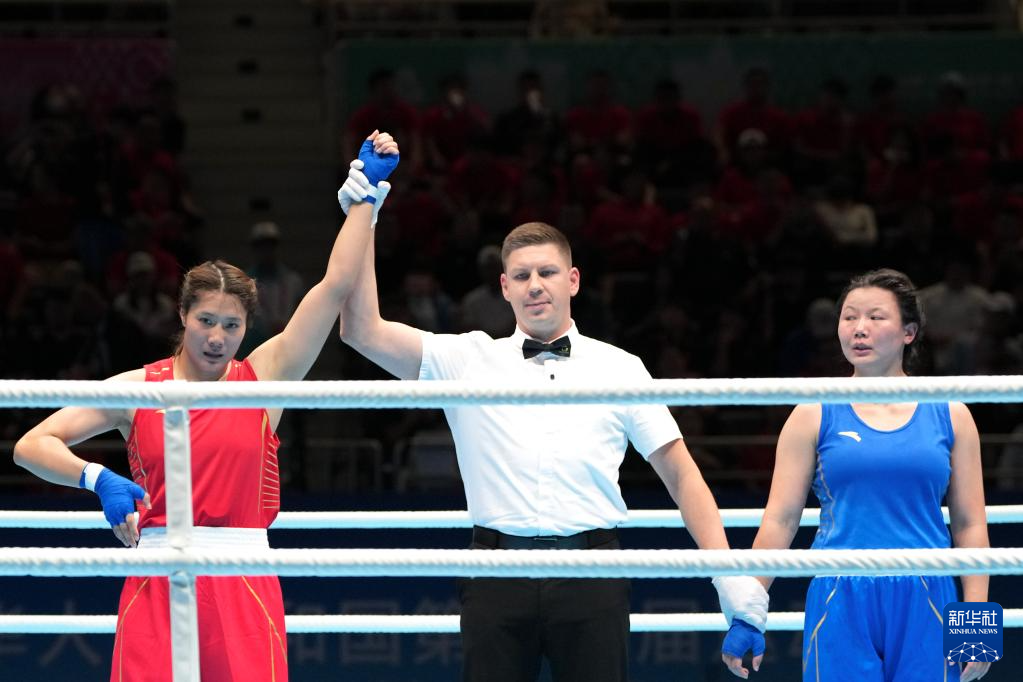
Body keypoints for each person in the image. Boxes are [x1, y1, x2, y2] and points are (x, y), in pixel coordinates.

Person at [337, 167, 769, 681]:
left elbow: (681, 475)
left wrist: (728, 581)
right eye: (521, 276)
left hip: (593, 573)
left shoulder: (620, 367)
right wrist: (363, 215)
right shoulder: (467, 359)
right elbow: (360, 331)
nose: (535, 285)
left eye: (547, 272)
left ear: (573, 280)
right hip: (496, 571)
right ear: (504, 287)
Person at [12, 131, 400, 681]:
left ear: (247, 327)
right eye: (206, 321)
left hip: (243, 576)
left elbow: (335, 286)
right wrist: (97, 478)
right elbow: (31, 445)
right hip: (156, 572)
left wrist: (366, 196)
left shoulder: (264, 378)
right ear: (183, 316)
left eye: (232, 326)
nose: (217, 338)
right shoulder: (139, 388)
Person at [744, 268, 991, 681]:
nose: (859, 328)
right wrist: (747, 611)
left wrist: (978, 624)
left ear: (909, 332)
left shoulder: (952, 414)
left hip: (928, 591)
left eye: (876, 317)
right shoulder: (811, 413)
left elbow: (970, 523)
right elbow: (780, 520)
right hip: (841, 592)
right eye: (849, 317)